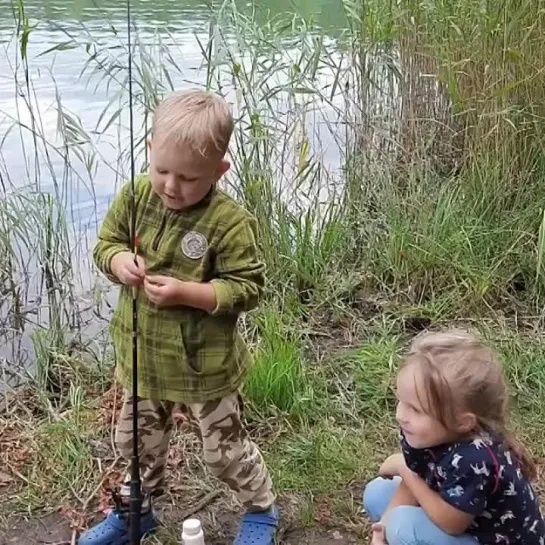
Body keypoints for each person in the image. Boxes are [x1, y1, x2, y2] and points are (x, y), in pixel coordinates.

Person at [79, 89, 279, 545]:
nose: (171, 185)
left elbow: (249, 288)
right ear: (149, 151)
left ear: (218, 172)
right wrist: (116, 263)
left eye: (188, 178)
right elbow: (104, 244)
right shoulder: (135, 197)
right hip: (143, 360)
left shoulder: (229, 222)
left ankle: (263, 509)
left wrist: (189, 292)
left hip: (205, 367)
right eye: (162, 170)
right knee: (135, 443)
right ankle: (138, 512)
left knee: (223, 453)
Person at [363, 330, 545, 545]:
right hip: (465, 522)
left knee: (402, 526)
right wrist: (381, 531)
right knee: (378, 494)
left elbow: (451, 523)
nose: (400, 415)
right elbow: (418, 477)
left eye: (415, 409)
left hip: (490, 538)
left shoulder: (475, 458)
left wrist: (404, 470)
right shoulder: (423, 432)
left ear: (463, 422)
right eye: (401, 401)